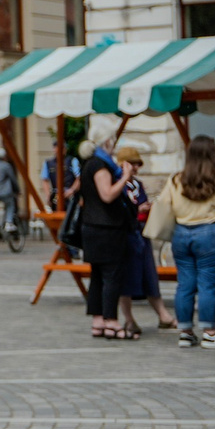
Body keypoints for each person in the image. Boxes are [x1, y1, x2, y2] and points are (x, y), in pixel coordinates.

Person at [164, 135, 215, 349]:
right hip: (210, 232)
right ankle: (210, 332)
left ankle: (186, 332)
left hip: (181, 233)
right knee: (208, 285)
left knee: (185, 284)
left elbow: (164, 204)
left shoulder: (177, 179)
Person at [77, 145, 136, 341]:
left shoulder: (88, 164)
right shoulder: (100, 166)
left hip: (92, 227)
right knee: (111, 276)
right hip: (107, 229)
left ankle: (98, 320)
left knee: (97, 276)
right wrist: (125, 177)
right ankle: (111, 321)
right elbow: (107, 194)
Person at [116, 151, 176, 335]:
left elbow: (140, 202)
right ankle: (128, 319)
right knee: (126, 278)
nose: (135, 167)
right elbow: (119, 206)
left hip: (142, 232)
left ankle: (163, 315)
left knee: (149, 274)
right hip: (126, 234)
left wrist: (147, 208)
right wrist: (137, 208)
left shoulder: (137, 184)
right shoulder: (118, 183)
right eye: (132, 163)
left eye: (137, 164)